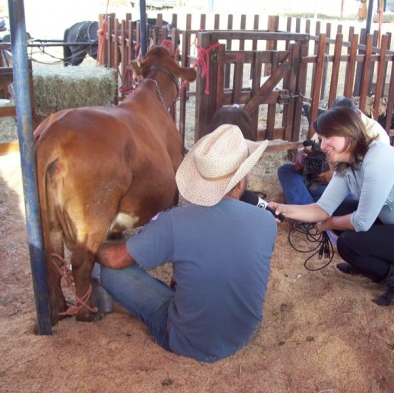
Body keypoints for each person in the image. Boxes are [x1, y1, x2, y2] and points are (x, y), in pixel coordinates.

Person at [95, 124, 277, 363]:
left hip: (185, 340)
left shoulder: (175, 221)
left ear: (201, 181)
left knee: (103, 269)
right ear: (242, 181)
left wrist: (91, 248)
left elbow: (116, 259)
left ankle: (103, 299)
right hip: (243, 332)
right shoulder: (266, 221)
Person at [269, 106, 394, 306]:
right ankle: (368, 261)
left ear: (348, 132)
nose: (322, 145)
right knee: (340, 213)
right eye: (321, 139)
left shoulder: (378, 159)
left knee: (348, 243)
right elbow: (321, 209)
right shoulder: (347, 164)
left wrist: (327, 223)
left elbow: (362, 222)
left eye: (327, 138)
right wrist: (283, 209)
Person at [277, 97, 390, 206]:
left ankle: (306, 207)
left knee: (347, 196)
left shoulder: (377, 138)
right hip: (318, 179)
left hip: (345, 187)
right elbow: (314, 146)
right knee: (286, 170)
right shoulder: (332, 125)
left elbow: (369, 183)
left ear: (355, 117)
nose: (323, 145)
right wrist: (302, 156)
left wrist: (334, 175)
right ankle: (308, 206)